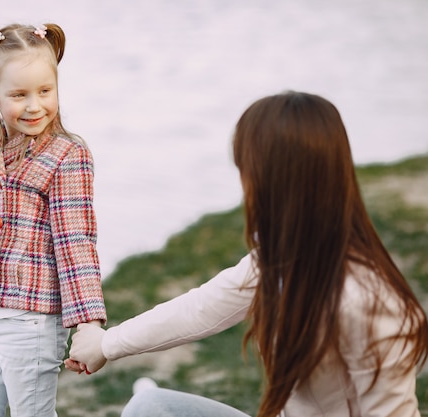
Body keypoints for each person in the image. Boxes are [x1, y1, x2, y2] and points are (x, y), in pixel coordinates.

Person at [66, 91, 428, 416]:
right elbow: (199, 310)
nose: (245, 187)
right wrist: (106, 344)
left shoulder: (367, 303)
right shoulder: (278, 261)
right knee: (151, 406)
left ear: (276, 181)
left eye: (247, 171)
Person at [0, 23, 106, 417]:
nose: (35, 105)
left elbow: (76, 243)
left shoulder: (67, 155)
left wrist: (87, 323)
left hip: (32, 322)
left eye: (45, 91)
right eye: (19, 95)